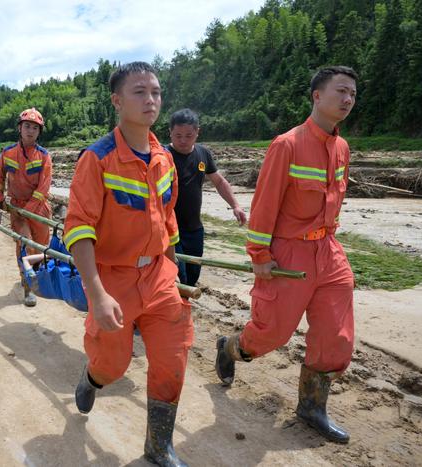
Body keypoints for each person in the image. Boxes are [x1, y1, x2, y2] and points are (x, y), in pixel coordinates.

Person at [215, 66, 358, 444]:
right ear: (317, 96)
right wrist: (259, 253)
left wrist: (329, 248)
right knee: (270, 334)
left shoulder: (342, 148)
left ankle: (312, 407)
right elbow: (264, 207)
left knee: (336, 336)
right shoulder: (287, 145)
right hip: (289, 254)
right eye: (341, 91)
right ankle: (230, 347)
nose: (347, 100)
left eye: (352, 95)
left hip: (328, 250)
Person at [63, 62, 192, 467]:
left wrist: (175, 272)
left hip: (157, 274)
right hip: (113, 279)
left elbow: (168, 220)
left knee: (173, 357)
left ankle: (158, 446)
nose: (150, 99)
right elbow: (79, 228)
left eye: (155, 91)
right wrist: (96, 295)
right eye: (139, 92)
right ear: (118, 101)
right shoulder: (97, 159)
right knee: (113, 365)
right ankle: (91, 377)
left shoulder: (164, 158)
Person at [167, 108, 246, 286]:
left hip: (195, 229)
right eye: (178, 135)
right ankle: (179, 310)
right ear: (170, 132)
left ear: (197, 132)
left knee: (193, 275)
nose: (183, 141)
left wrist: (235, 205)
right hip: (170, 230)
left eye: (188, 135)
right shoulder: (163, 156)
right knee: (178, 277)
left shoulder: (203, 154)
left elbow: (219, 182)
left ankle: (184, 307)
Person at [0, 108, 52, 307]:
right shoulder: (8, 153)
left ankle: (37, 276)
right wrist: (0, 198)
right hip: (17, 210)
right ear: (19, 128)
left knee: (41, 247)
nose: (30, 131)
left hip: (39, 209)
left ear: (39, 132)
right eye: (27, 126)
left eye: (35, 128)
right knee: (24, 244)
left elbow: (43, 187)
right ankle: (28, 285)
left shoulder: (44, 156)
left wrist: (30, 208)